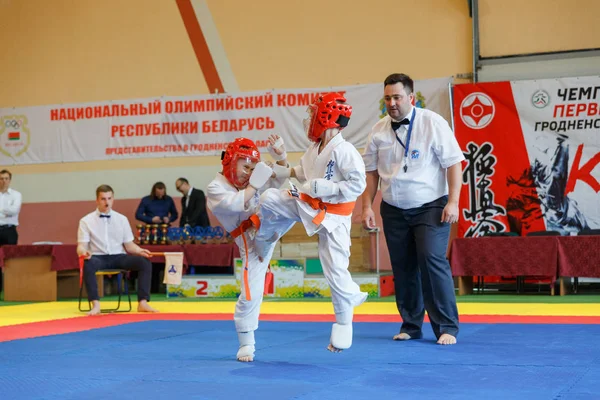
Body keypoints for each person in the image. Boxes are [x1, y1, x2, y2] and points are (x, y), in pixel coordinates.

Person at [255, 93, 368, 353]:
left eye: (313, 114)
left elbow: (357, 184)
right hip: (309, 205)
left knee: (335, 272)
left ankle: (344, 321)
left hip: (335, 217)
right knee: (270, 198)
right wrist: (280, 159)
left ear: (325, 117)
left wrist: (328, 186)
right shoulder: (315, 147)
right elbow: (298, 172)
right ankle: (265, 239)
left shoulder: (344, 149)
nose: (309, 119)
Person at [361, 73, 464, 345]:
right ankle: (411, 325)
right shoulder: (378, 130)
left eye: (397, 97)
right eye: (387, 98)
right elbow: (371, 172)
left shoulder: (433, 123)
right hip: (393, 207)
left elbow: (454, 163)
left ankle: (447, 327)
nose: (392, 103)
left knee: (431, 260)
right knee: (403, 267)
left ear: (411, 97)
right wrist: (367, 207)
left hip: (431, 206)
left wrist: (453, 201)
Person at [206, 134, 288, 362]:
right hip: (249, 240)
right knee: (251, 292)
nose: (248, 172)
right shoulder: (215, 187)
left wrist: (281, 157)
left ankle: (317, 212)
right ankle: (246, 344)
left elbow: (278, 179)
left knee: (278, 196)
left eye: (253, 168)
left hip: (270, 228)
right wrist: (255, 183)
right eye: (245, 166)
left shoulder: (253, 182)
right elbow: (235, 204)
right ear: (230, 162)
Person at [77, 184, 159, 316]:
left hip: (119, 256)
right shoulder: (86, 221)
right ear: (97, 200)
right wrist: (83, 252)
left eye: (109, 198)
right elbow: (81, 245)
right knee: (88, 264)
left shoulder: (122, 219)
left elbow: (129, 245)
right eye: (103, 199)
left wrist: (140, 251)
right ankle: (96, 304)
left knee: (144, 262)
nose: (106, 202)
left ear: (113, 199)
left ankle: (142, 302)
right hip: (98, 257)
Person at [0, 169, 22, 293]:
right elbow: (9, 210)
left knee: (11, 260)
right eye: (1, 178)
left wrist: (2, 209)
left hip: (9, 231)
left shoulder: (16, 195)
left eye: (6, 178)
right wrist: (6, 210)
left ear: (10, 180)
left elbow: (14, 211)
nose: (4, 181)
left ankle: (12, 290)